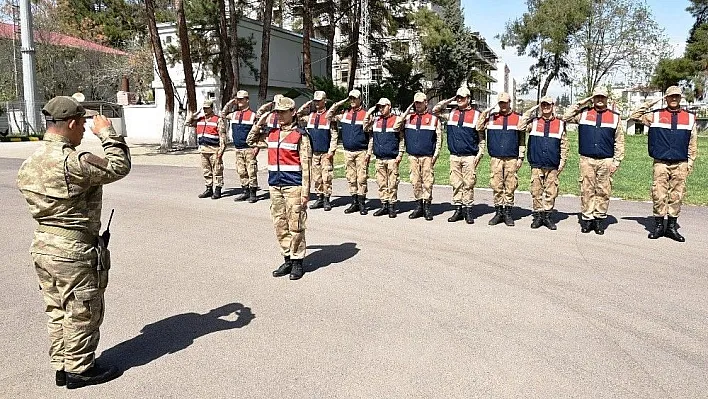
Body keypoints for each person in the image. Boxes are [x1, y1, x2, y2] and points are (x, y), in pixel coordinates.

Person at [17, 96, 131, 388]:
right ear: (70, 123)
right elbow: (119, 166)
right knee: (82, 310)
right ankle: (80, 370)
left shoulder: (30, 163)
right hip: (73, 250)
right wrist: (106, 132)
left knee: (57, 309)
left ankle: (62, 365)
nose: (83, 131)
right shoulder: (74, 162)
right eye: (82, 125)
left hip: (44, 245)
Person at [247, 96, 312, 280]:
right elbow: (250, 139)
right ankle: (287, 258)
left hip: (294, 186)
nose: (280, 115)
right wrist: (262, 117)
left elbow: (306, 167)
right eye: (278, 112)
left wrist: (306, 193)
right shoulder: (272, 134)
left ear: (293, 113)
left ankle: (298, 261)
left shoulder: (300, 135)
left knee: (296, 224)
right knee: (279, 224)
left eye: (283, 112)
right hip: (275, 186)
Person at [630, 85, 698, 242]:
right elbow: (635, 115)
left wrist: (690, 162)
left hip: (680, 163)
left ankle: (672, 227)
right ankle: (659, 226)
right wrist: (655, 101)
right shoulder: (655, 116)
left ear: (680, 98)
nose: (674, 99)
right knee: (659, 194)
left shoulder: (689, 118)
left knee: (677, 195)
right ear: (666, 98)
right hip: (660, 163)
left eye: (676, 96)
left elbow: (692, 143)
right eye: (670, 96)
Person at [562, 86, 625, 235]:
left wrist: (617, 161)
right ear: (593, 98)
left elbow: (619, 141)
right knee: (586, 190)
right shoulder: (584, 114)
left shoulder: (615, 117)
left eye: (602, 97)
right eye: (597, 97)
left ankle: (598, 220)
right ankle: (587, 219)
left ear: (606, 99)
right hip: (587, 159)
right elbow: (566, 116)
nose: (600, 100)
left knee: (603, 190)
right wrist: (585, 101)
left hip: (606, 160)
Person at [432, 87, 485, 224]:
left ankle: (468, 210)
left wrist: (479, 155)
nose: (460, 100)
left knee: (468, 184)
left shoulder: (477, 115)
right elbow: (435, 110)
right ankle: (458, 209)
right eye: (458, 97)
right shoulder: (451, 113)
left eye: (462, 97)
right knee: (456, 184)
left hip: (469, 156)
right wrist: (451, 99)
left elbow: (481, 138)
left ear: (468, 99)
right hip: (454, 156)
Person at [519, 96, 568, 230]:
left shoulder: (560, 123)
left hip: (552, 164)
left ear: (553, 106)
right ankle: (538, 215)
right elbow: (520, 126)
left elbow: (564, 146)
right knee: (536, 191)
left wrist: (561, 164)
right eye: (543, 105)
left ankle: (547, 216)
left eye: (548, 105)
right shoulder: (534, 122)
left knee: (551, 192)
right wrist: (532, 110)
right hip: (536, 163)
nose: (546, 107)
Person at [477, 92, 525, 226]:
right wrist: (485, 113)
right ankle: (498, 213)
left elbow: (522, 139)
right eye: (501, 103)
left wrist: (521, 156)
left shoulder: (518, 118)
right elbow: (478, 127)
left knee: (510, 186)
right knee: (496, 185)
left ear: (510, 102)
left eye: (505, 102)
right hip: (496, 157)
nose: (503, 105)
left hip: (512, 158)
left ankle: (508, 213)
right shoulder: (492, 118)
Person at [394, 92, 442, 221]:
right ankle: (418, 205)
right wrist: (407, 110)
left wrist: (435, 155)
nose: (418, 105)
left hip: (427, 156)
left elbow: (439, 139)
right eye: (416, 103)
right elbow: (396, 127)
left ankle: (427, 206)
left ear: (426, 102)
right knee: (415, 181)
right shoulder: (409, 117)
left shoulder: (433, 118)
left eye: (420, 102)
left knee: (427, 182)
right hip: (413, 156)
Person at [328, 90, 369, 214]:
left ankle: (362, 203)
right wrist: (340, 102)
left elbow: (371, 134)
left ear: (360, 99)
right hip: (348, 151)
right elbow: (328, 116)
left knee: (361, 178)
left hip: (361, 151)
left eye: (354, 98)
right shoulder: (345, 114)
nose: (352, 101)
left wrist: (369, 152)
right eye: (350, 98)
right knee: (351, 178)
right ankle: (354, 202)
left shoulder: (366, 114)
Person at [296, 91, 337, 211]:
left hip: (325, 152)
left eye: (319, 100)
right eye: (315, 101)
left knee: (326, 177)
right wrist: (307, 104)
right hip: (313, 152)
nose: (317, 103)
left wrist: (332, 151)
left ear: (324, 101)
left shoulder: (329, 116)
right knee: (317, 177)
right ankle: (319, 197)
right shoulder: (311, 116)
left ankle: (326, 199)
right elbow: (297, 115)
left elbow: (334, 135)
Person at [364, 98, 405, 217]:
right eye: (379, 107)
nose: (381, 109)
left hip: (392, 157)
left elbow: (401, 139)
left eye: (383, 106)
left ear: (389, 106)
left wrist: (400, 154)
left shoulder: (396, 120)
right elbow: (365, 128)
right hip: (379, 157)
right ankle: (384, 205)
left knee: (392, 183)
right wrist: (371, 110)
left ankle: (392, 206)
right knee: (381, 183)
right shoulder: (376, 120)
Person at [221, 90, 259, 203]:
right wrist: (231, 103)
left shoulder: (253, 115)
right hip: (238, 148)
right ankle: (245, 191)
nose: (239, 101)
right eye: (238, 99)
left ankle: (253, 193)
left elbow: (258, 132)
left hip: (249, 148)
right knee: (241, 171)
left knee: (251, 171)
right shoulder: (234, 115)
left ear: (247, 100)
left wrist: (256, 146)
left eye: (242, 99)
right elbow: (223, 114)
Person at [189, 99, 226, 199]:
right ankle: (209, 189)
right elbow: (187, 122)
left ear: (211, 108)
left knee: (217, 170)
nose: (205, 110)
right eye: (204, 108)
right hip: (203, 149)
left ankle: (218, 190)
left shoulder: (217, 120)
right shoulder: (200, 120)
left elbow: (222, 136)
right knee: (206, 170)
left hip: (214, 149)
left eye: (207, 108)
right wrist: (193, 114)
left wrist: (221, 150)